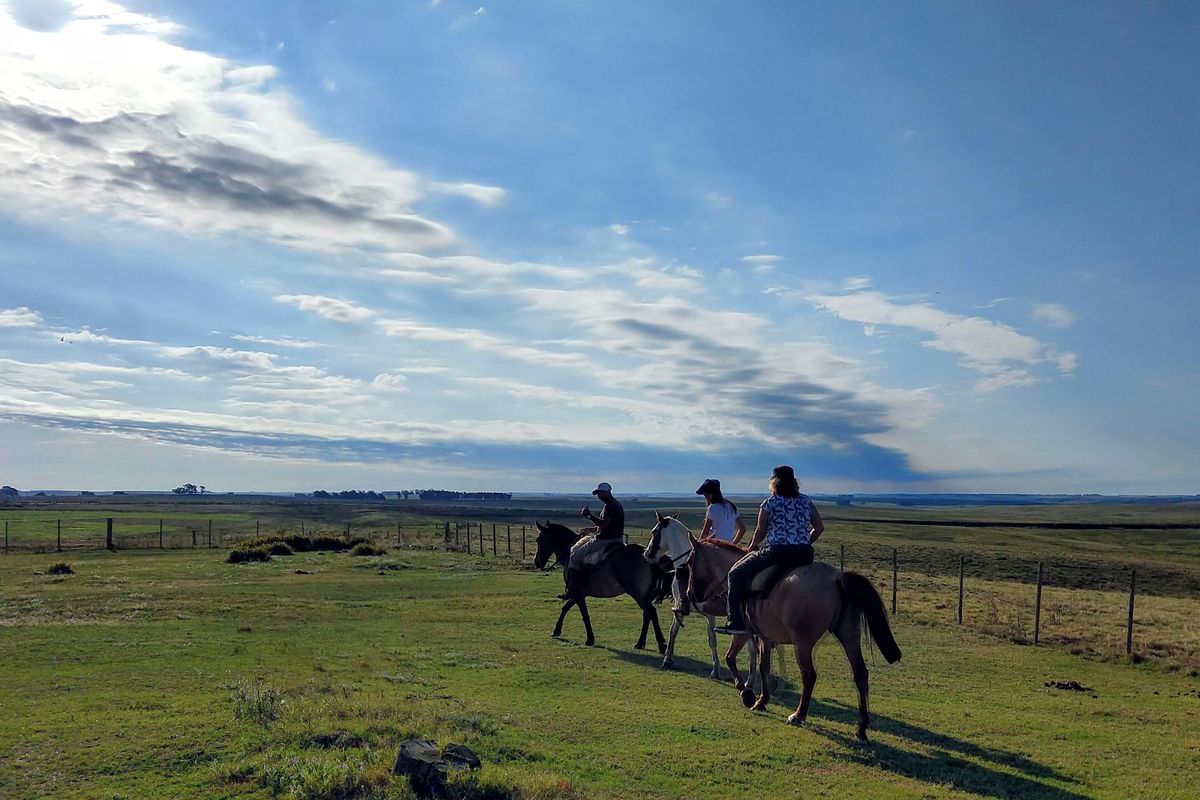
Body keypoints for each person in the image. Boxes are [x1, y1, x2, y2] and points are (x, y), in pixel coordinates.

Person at [715, 465, 824, 635]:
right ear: (794, 482)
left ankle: (735, 621)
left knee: (735, 574)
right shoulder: (806, 501)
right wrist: (803, 542)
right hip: (804, 554)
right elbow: (819, 528)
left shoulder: (770, 503)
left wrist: (750, 547)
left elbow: (760, 531)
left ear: (774, 482)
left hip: (777, 552)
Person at [560, 482, 626, 597]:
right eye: (598, 494)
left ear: (607, 492)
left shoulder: (609, 506)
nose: (599, 496)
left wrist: (588, 515)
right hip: (618, 540)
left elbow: (603, 523)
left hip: (605, 541)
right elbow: (608, 525)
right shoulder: (617, 504)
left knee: (574, 556)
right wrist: (591, 529)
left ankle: (572, 589)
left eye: (600, 493)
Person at [696, 478, 746, 544]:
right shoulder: (731, 506)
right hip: (727, 547)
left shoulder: (712, 508)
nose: (706, 498)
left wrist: (699, 544)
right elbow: (742, 529)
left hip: (714, 546)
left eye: (706, 495)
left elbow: (705, 532)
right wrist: (732, 544)